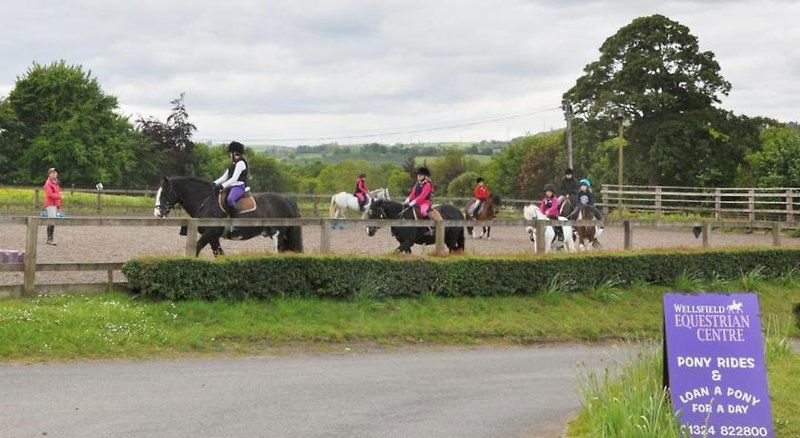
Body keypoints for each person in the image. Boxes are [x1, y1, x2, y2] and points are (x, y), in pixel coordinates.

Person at [214, 141, 250, 219]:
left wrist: (222, 186)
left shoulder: (241, 163)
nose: (230, 155)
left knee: (230, 199)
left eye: (231, 153)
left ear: (234, 153)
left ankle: (235, 221)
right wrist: (214, 183)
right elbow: (224, 177)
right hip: (230, 187)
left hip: (239, 187)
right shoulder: (233, 164)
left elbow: (234, 179)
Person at [403, 166, 443, 233]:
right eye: (418, 175)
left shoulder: (427, 184)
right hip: (417, 202)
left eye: (420, 175)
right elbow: (413, 193)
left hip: (425, 202)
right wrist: (408, 199)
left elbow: (423, 196)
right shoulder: (417, 184)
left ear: (425, 176)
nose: (418, 176)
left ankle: (430, 228)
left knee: (423, 211)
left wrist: (415, 201)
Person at [43, 167, 62, 246]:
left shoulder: (55, 182)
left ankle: (50, 238)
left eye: (55, 173)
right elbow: (50, 194)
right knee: (52, 221)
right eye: (53, 173)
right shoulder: (48, 184)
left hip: (54, 204)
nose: (54, 174)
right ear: (50, 174)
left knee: (52, 221)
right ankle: (50, 239)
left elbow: (57, 191)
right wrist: (59, 196)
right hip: (50, 204)